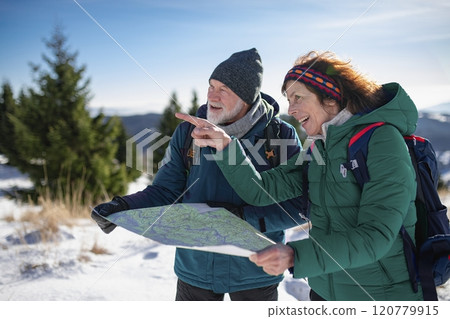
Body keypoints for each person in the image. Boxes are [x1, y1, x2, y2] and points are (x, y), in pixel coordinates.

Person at [175, 50, 423, 301]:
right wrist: (227, 146)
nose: (291, 109)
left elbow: (375, 237)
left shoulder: (382, 140)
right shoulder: (318, 147)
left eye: (298, 98)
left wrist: (295, 255)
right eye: (288, 99)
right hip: (325, 290)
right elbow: (261, 191)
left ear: (330, 97)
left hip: (381, 294)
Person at [91, 48, 306, 301]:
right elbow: (165, 190)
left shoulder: (280, 136)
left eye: (223, 89)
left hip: (255, 270)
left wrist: (242, 219)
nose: (212, 96)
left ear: (246, 97)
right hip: (195, 270)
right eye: (211, 86)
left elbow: (300, 205)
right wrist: (123, 206)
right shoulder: (187, 133)